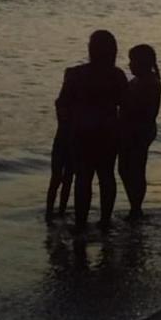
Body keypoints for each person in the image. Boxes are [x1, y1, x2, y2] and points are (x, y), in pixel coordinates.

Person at [55, 29, 129, 231]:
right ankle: (105, 220)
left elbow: (62, 104)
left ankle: (81, 222)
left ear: (90, 49)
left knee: (83, 177)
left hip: (82, 132)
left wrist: (64, 128)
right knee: (106, 176)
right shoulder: (117, 76)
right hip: (108, 132)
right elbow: (126, 106)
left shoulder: (75, 74)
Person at [119, 44, 161, 220]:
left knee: (135, 169)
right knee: (126, 169)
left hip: (139, 131)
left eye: (133, 61)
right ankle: (134, 206)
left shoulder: (150, 83)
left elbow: (140, 109)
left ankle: (136, 208)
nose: (130, 65)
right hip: (132, 130)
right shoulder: (139, 81)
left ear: (143, 62)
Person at [44, 93, 74, 223]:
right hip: (69, 143)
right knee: (64, 179)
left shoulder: (61, 103)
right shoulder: (72, 105)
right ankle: (57, 210)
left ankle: (53, 211)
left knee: (59, 179)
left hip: (62, 142)